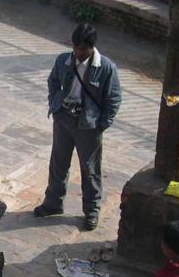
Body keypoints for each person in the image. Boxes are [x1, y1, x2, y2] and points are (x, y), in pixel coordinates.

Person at [33, 23, 121, 231]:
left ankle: (91, 210)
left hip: (88, 125)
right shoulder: (64, 60)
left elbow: (113, 98)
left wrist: (102, 124)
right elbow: (53, 81)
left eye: (82, 49)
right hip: (64, 118)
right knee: (58, 164)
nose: (78, 53)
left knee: (89, 170)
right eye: (76, 48)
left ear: (92, 48)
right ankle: (53, 202)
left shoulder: (106, 68)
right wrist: (55, 103)